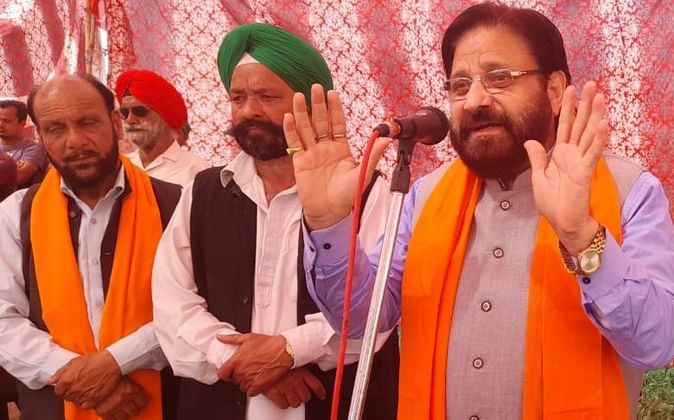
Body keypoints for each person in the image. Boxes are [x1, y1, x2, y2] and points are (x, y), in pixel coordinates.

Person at [285, 3, 674, 420]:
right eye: (459, 85)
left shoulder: (629, 190)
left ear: (554, 90)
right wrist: (330, 224)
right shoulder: (426, 196)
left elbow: (657, 345)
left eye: (499, 77)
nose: (474, 100)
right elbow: (360, 318)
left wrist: (581, 236)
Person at [152, 23, 399, 420]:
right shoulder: (204, 191)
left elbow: (376, 313)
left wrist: (289, 350)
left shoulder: (365, 191)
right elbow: (171, 304)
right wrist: (242, 361)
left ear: (310, 106)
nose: (249, 110)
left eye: (267, 96)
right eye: (238, 97)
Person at [0, 74, 181, 419]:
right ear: (40, 136)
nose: (74, 142)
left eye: (87, 123)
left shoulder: (176, 206)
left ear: (115, 123)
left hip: (163, 403)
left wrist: (115, 362)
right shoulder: (15, 215)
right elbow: (3, 320)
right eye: (55, 129)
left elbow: (189, 309)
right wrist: (88, 381)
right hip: (55, 406)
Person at [116, 69, 210, 186]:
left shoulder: (196, 171)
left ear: (165, 116)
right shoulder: (118, 168)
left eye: (140, 111)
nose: (130, 120)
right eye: (125, 113)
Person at [0, 99, 46, 189]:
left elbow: (19, 177)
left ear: (22, 123)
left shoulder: (33, 148)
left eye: (6, 121)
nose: (0, 124)